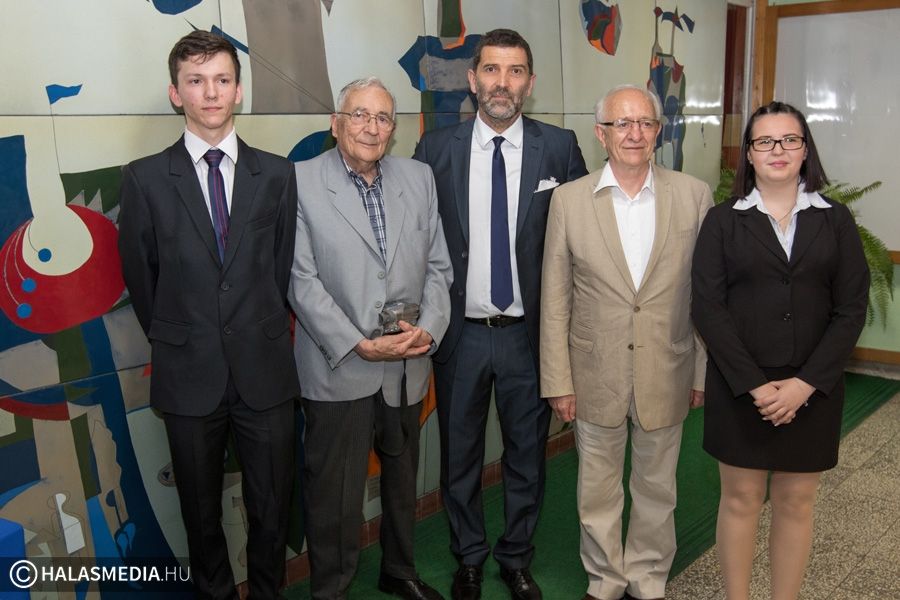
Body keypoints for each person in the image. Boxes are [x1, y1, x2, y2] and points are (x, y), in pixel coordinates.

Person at [117, 31, 299, 599]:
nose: (211, 92)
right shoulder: (145, 178)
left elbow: (280, 268)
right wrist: (183, 336)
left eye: (222, 79)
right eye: (196, 81)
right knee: (200, 518)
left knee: (273, 509)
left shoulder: (276, 174)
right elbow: (143, 281)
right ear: (177, 93)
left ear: (239, 90)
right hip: (188, 373)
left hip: (264, 371)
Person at [413, 28, 587, 600]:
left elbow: (581, 242)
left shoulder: (558, 148)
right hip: (459, 336)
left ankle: (515, 558)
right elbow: (418, 241)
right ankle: (467, 557)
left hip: (528, 338)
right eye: (491, 70)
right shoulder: (435, 150)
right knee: (459, 457)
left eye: (515, 72)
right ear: (472, 79)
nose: (502, 83)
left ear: (530, 83)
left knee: (527, 457)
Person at [691, 101, 869, 600]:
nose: (778, 150)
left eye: (790, 140)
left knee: (796, 501)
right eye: (764, 141)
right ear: (748, 154)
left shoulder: (835, 220)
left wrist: (805, 385)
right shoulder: (722, 221)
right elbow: (708, 308)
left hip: (813, 387)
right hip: (741, 386)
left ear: (805, 150)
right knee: (741, 498)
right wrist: (755, 386)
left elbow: (851, 309)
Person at [540, 84, 712, 600]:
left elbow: (706, 296)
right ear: (601, 133)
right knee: (597, 487)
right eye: (622, 123)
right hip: (594, 371)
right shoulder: (569, 201)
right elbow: (555, 298)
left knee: (658, 485)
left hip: (669, 366)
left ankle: (648, 575)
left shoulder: (693, 195)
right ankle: (605, 579)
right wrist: (558, 380)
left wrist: (701, 372)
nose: (634, 133)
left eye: (645, 123)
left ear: (658, 131)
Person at [289, 77, 453, 600]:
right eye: (359, 115)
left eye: (382, 117)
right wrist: (357, 343)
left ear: (393, 128)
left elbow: (439, 266)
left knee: (402, 479)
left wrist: (430, 327)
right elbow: (300, 280)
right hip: (340, 364)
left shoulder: (418, 178)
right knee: (334, 493)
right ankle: (331, 589)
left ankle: (399, 570)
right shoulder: (300, 181)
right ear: (336, 123)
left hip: (407, 361)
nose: (371, 127)